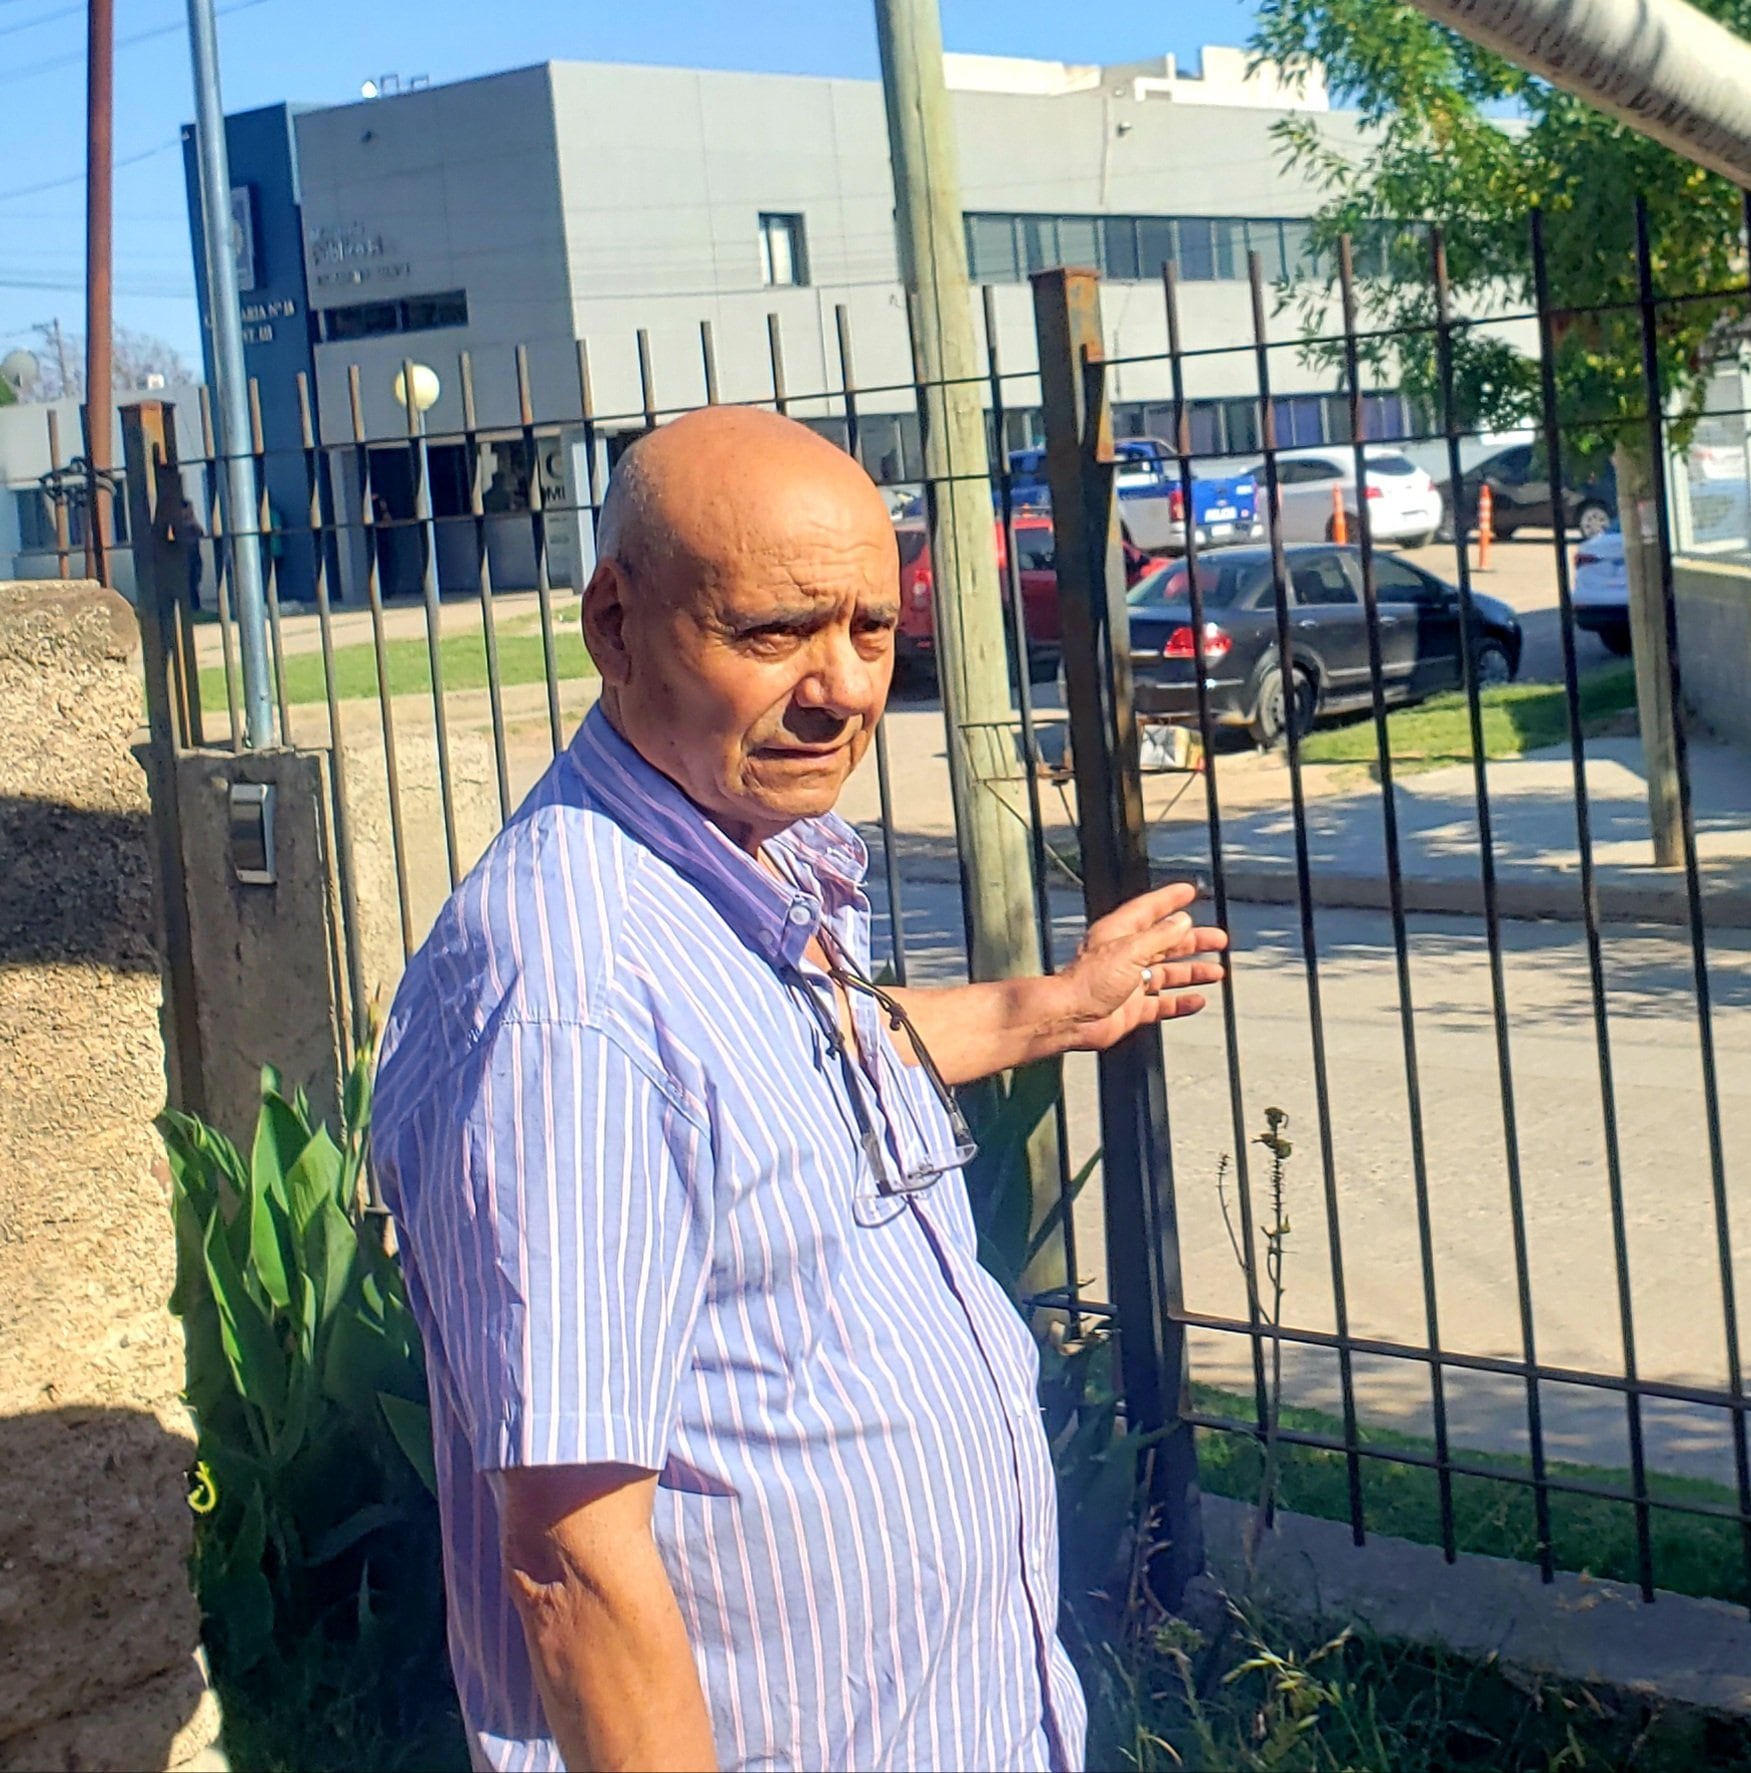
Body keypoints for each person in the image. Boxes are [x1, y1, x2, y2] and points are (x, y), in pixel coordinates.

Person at [372, 407, 1227, 1773]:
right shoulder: (570, 984)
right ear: (616, 624)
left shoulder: (739, 856)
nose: (842, 686)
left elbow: (782, 1071)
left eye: (871, 631)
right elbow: (573, 1563)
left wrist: (1047, 1007)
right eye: (774, 633)